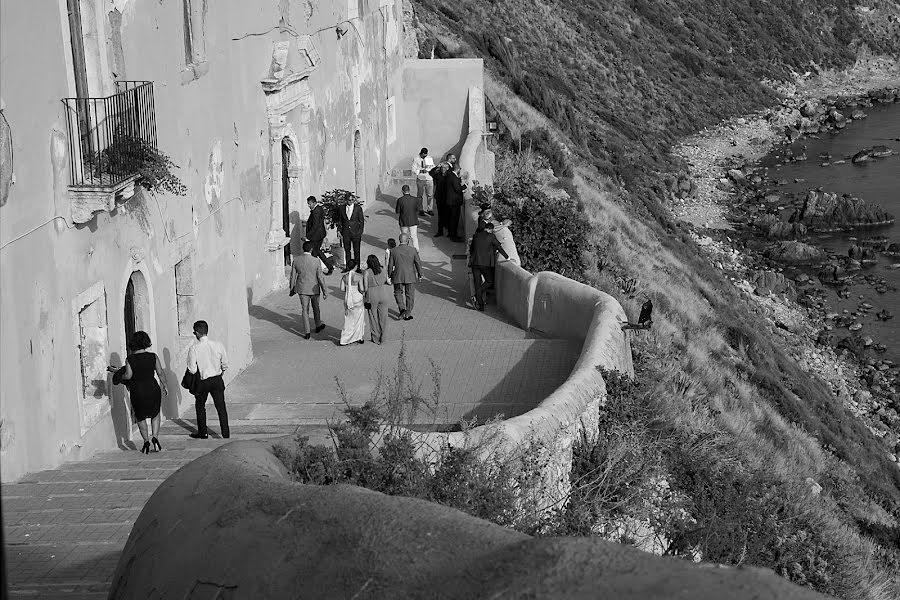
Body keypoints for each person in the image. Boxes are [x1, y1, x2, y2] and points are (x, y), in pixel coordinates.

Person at [107, 331, 168, 454]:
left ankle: (146, 441)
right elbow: (160, 372)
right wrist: (165, 385)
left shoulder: (130, 359)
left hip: (138, 390)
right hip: (152, 388)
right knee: (155, 413)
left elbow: (128, 376)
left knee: (140, 416)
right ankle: (155, 437)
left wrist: (120, 375)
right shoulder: (153, 356)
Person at [186, 320, 230, 440]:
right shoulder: (218, 345)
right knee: (221, 407)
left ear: (197, 333)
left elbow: (192, 369)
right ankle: (226, 434)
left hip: (203, 381)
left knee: (200, 406)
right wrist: (221, 373)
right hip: (217, 379)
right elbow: (225, 364)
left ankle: (203, 432)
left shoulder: (194, 348)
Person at [290, 240, 328, 339]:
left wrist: (292, 288)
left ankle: (307, 332)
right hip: (314, 288)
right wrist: (324, 290)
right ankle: (318, 324)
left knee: (304, 310)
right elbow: (320, 277)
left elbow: (293, 276)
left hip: (302, 288)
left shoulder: (296, 260)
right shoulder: (316, 261)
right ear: (311, 249)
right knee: (316, 307)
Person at [469, 222, 509, 311]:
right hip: (485, 264)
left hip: (475, 263)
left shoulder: (476, 236)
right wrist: (507, 257)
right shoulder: (491, 236)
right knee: (489, 281)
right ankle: (476, 295)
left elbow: (472, 249)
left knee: (477, 283)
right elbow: (499, 246)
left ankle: (481, 306)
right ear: (491, 229)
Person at [387, 232, 422, 321]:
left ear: (399, 240)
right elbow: (418, 263)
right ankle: (408, 312)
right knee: (410, 294)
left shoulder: (393, 251)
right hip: (410, 276)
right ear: (407, 240)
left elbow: (390, 265)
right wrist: (420, 274)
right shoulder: (413, 250)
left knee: (398, 293)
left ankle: (402, 309)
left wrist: (390, 275)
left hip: (398, 275)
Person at [363, 254, 391, 344]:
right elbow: (387, 281)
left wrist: (364, 297)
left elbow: (365, 287)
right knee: (383, 317)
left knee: (373, 317)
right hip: (383, 292)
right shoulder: (383, 269)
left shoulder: (367, 272)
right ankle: (383, 337)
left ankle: (376, 338)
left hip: (372, 294)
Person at [305, 195, 334, 275]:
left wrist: (308, 236)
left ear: (314, 203)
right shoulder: (318, 209)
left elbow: (315, 225)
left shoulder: (316, 211)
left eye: (309, 204)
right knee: (317, 252)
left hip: (316, 236)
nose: (309, 206)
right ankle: (329, 266)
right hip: (318, 235)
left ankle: (315, 270)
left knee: (314, 253)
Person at [339, 267, 366, 345]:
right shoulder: (359, 276)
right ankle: (358, 337)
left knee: (348, 319)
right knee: (359, 319)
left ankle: (345, 339)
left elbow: (342, 289)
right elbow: (361, 288)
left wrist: (349, 290)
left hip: (348, 299)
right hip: (357, 299)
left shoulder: (344, 277)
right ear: (355, 266)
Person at [339, 197, 365, 272]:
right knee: (347, 251)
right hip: (346, 233)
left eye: (352, 200)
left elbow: (361, 221)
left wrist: (360, 232)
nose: (350, 202)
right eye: (349, 200)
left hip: (356, 233)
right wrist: (339, 230)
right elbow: (340, 220)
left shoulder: (358, 208)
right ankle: (348, 267)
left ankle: (357, 267)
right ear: (346, 200)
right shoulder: (342, 208)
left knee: (356, 251)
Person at [395, 184, 420, 252]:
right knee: (414, 237)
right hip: (413, 220)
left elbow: (397, 211)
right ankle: (416, 250)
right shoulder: (415, 199)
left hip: (404, 221)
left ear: (402, 191)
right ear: (409, 190)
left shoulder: (400, 200)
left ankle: (404, 250)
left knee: (404, 236)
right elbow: (418, 209)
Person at [445, 164, 466, 242]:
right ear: (458, 169)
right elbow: (458, 189)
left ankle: (450, 233)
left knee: (451, 218)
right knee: (454, 219)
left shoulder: (450, 176)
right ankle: (453, 235)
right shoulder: (454, 178)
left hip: (450, 201)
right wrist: (465, 186)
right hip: (454, 202)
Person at [412, 147, 435, 216]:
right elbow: (413, 170)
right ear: (421, 153)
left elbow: (433, 167)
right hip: (421, 178)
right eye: (423, 155)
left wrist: (429, 169)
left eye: (426, 155)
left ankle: (430, 209)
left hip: (429, 178)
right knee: (420, 195)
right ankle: (420, 209)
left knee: (430, 195)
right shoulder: (416, 159)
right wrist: (421, 171)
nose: (425, 157)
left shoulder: (429, 158)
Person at [430, 162, 451, 237]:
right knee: (440, 215)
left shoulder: (449, 175)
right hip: (439, 198)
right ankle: (440, 231)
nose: (443, 169)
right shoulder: (438, 175)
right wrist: (436, 167)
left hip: (447, 198)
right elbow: (431, 173)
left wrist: (449, 165)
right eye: (442, 168)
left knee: (448, 215)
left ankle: (449, 231)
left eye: (445, 168)